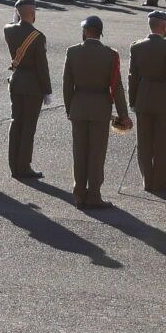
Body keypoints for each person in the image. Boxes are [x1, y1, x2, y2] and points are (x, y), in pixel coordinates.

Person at [63, 14, 130, 208]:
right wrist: (123, 114)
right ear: (101, 33)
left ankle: (79, 195)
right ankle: (94, 195)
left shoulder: (72, 52)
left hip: (78, 106)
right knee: (96, 153)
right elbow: (116, 86)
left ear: (85, 31)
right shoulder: (110, 54)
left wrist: (70, 109)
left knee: (79, 152)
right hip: (101, 107)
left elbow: (67, 85)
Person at [128, 9, 166, 194]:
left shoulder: (136, 47)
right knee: (163, 142)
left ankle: (147, 180)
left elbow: (132, 77)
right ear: (164, 26)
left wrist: (133, 100)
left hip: (143, 97)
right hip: (164, 99)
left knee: (144, 141)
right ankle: (160, 182)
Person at [3, 0, 50, 180]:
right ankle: (24, 166)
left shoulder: (8, 31)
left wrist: (16, 16)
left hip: (16, 80)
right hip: (32, 86)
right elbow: (42, 66)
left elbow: (9, 25)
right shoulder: (37, 37)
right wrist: (47, 90)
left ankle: (14, 165)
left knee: (16, 124)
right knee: (28, 127)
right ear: (32, 13)